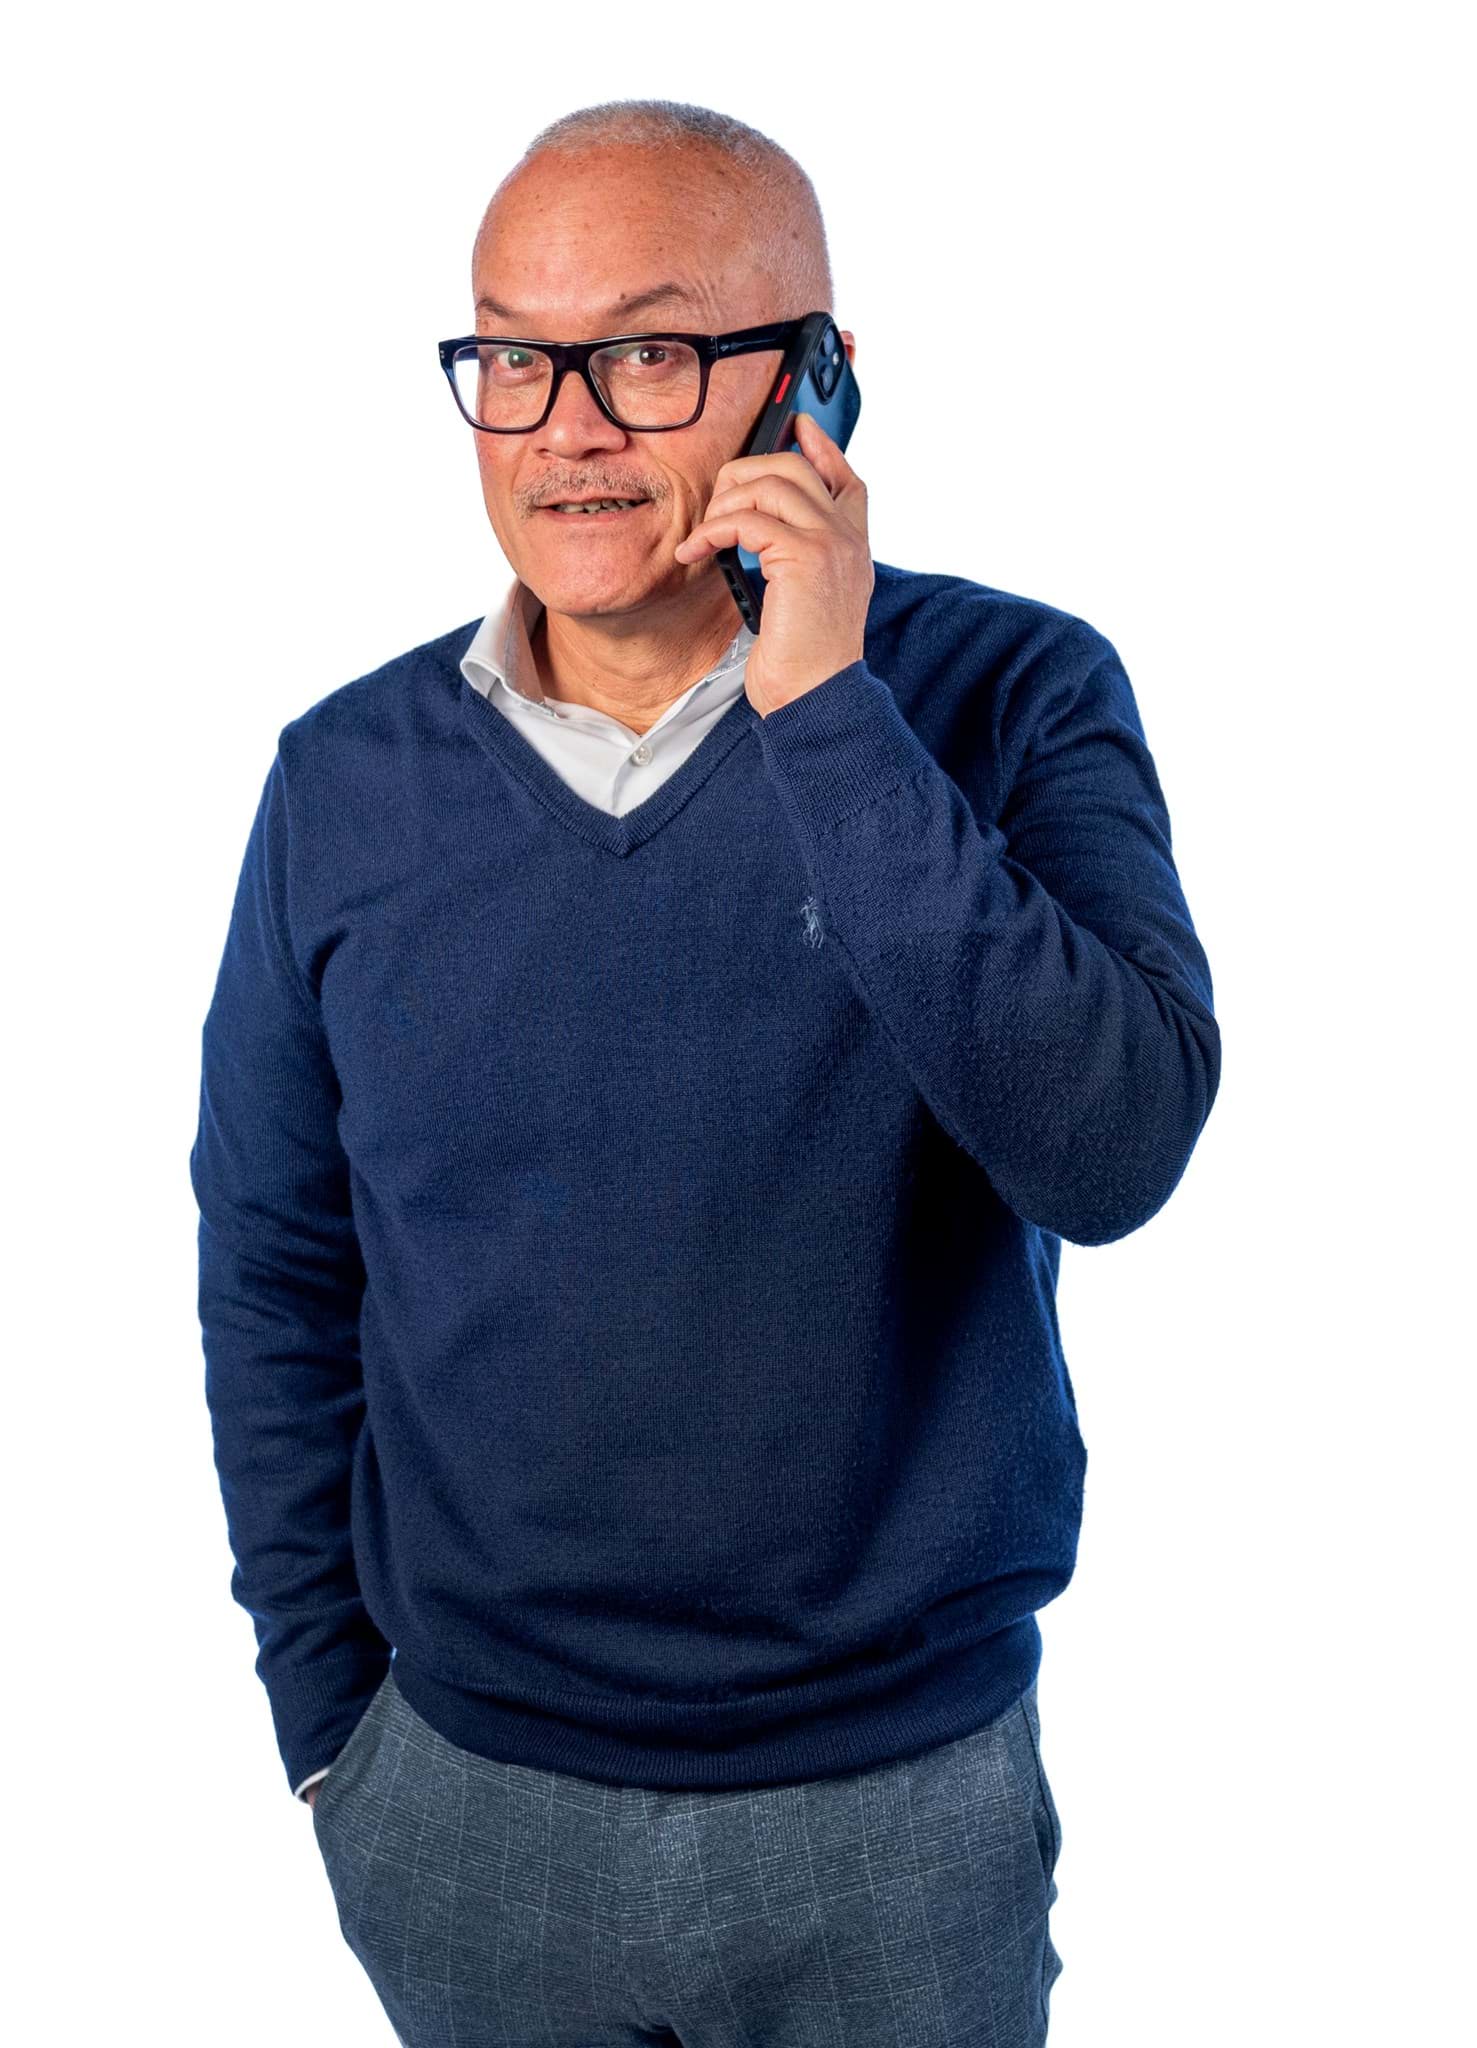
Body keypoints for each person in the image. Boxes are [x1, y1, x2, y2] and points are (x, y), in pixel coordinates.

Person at [192, 97, 1220, 2048]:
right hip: (469, 1808)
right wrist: (332, 1733)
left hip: (893, 1814)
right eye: (512, 357)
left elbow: (1111, 1149)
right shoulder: (340, 779)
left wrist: (824, 705)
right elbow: (275, 1267)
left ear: (815, 377)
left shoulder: (1012, 692)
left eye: (648, 354)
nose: (565, 428)